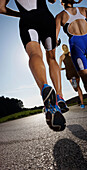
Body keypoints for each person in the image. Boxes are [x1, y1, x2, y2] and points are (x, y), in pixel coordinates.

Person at [0, 0, 69, 131]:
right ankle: (59, 96)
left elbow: (1, 8)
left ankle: (44, 88)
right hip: (46, 17)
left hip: (27, 18)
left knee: (34, 54)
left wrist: (20, 14)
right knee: (52, 57)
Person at [59, 44, 85, 108]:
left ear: (62, 49)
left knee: (75, 89)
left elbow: (59, 68)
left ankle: (81, 102)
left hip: (69, 73)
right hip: (75, 71)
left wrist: (65, 68)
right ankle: (82, 103)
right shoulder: (71, 53)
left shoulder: (61, 57)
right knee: (78, 87)